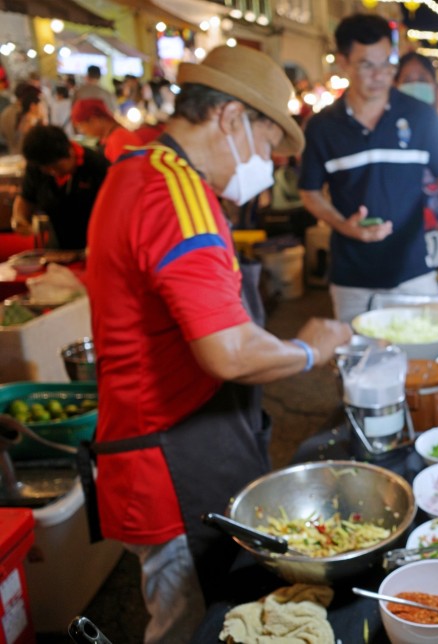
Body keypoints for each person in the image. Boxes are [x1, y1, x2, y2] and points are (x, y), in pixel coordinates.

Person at [82, 45, 352, 643]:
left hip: (165, 445)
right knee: (191, 624)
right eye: (265, 144)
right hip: (172, 463)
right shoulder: (175, 195)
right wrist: (309, 350)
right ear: (230, 118)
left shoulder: (138, 167)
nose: (265, 164)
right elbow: (227, 350)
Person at [298, 14, 438, 322]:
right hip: (352, 280)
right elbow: (309, 192)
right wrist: (344, 225)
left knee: (424, 359)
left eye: (386, 63)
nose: (380, 75)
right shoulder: (322, 127)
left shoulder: (420, 116)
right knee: (361, 365)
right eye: (367, 65)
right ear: (343, 62)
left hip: (413, 272)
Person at [394, 52, 438, 292]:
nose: (416, 85)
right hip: (400, 242)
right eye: (407, 79)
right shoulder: (390, 131)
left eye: (422, 78)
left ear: (435, 86)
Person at [11, 125, 108, 248]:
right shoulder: (36, 167)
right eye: (46, 169)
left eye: (56, 166)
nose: (52, 172)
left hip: (95, 244)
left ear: (70, 151)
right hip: (58, 245)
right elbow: (26, 198)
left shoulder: (97, 165)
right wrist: (19, 219)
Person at [71, 98, 163, 162]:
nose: (82, 131)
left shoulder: (119, 139)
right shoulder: (108, 137)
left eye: (80, 126)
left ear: (94, 120)